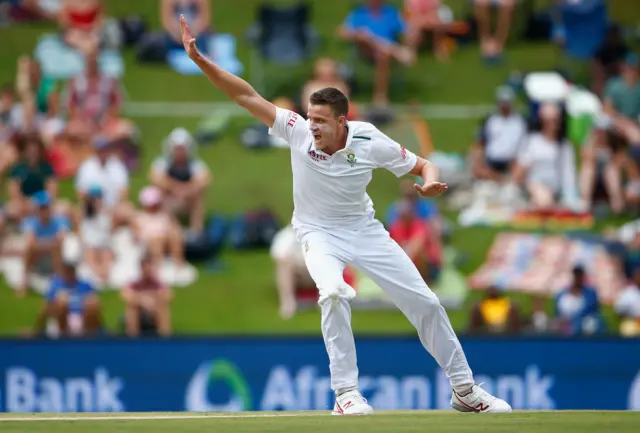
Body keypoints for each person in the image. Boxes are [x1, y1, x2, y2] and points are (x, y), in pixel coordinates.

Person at [179, 15, 512, 414]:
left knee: (426, 302)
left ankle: (464, 390)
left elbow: (424, 164)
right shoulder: (297, 130)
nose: (312, 126)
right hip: (316, 233)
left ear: (342, 121)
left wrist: (432, 182)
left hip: (363, 228)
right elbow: (246, 96)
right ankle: (346, 395)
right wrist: (201, 61)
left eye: (320, 121)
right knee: (333, 292)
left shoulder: (369, 139)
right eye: (310, 117)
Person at [32, 259, 102, 337]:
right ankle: (62, 338)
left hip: (83, 317)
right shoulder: (55, 285)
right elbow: (45, 307)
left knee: (92, 305)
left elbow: (96, 305)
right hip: (62, 318)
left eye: (71, 270)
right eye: (66, 270)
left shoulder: (85, 285)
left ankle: (90, 339)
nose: (69, 272)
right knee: (62, 304)